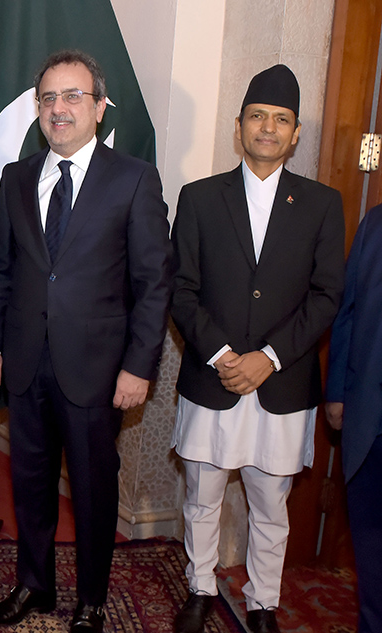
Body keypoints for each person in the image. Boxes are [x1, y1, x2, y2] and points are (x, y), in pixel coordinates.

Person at [0, 50, 172, 633]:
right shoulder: (15, 178)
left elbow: (153, 282)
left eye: (72, 97)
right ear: (37, 109)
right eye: (48, 99)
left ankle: (91, 599)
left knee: (92, 490)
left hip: (97, 368)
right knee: (29, 481)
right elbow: (1, 270)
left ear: (99, 106)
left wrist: (139, 366)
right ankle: (34, 585)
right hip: (26, 361)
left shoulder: (134, 179)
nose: (59, 109)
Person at [169, 64, 344, 633]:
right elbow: (181, 288)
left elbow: (325, 295)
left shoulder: (322, 205)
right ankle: (199, 586)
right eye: (257, 116)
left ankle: (263, 601)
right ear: (238, 125)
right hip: (212, 377)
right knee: (203, 496)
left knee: (272, 505)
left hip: (283, 383)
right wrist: (223, 355)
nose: (268, 127)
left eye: (281, 119)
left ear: (295, 135)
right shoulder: (198, 198)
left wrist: (266, 358)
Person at [327, 204, 382, 633]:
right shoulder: (376, 222)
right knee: (373, 568)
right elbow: (348, 311)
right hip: (370, 427)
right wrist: (337, 394)